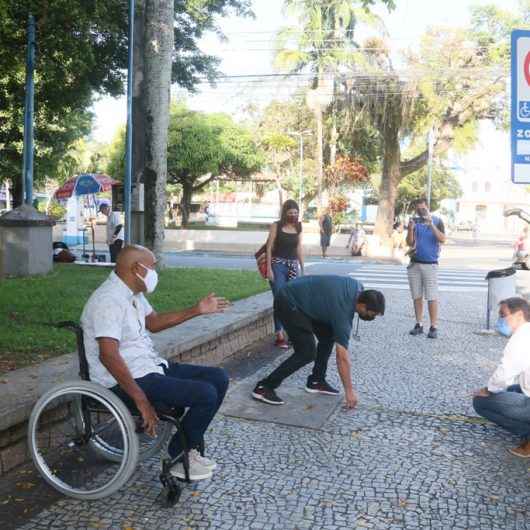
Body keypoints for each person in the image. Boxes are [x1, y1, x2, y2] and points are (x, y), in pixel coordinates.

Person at [80, 245, 230, 481]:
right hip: (124, 379)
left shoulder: (133, 294)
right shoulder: (108, 301)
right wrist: (141, 400)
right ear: (136, 268)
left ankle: (186, 448)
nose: (154, 272)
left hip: (148, 366)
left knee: (218, 378)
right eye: (152, 267)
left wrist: (197, 310)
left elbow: (155, 322)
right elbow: (108, 355)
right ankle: (179, 457)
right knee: (205, 394)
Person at [252, 275, 385, 408]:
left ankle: (316, 381)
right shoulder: (343, 315)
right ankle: (264, 387)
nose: (371, 318)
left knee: (328, 336)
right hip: (288, 301)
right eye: (371, 314)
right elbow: (342, 357)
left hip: (302, 297)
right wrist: (349, 391)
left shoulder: (358, 287)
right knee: (306, 352)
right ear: (362, 305)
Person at [472, 297, 530, 458]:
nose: (500, 320)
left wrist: (488, 390)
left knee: (480, 402)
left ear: (518, 315)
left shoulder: (522, 337)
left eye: (503, 315)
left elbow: (505, 372)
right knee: (511, 389)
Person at [266, 199, 304, 349]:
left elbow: (299, 248)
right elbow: (269, 248)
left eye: (296, 213)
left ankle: (292, 333)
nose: (293, 215)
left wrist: (302, 267)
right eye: (290, 213)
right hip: (277, 265)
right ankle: (279, 335)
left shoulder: (299, 226)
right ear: (285, 213)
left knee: (291, 301)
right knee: (280, 299)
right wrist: (269, 268)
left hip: (292, 266)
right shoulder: (277, 226)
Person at [406, 198, 446, 339]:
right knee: (416, 296)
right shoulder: (414, 222)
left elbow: (442, 239)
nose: (420, 211)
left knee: (432, 296)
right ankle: (419, 324)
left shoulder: (437, 221)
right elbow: (409, 242)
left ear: (428, 208)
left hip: (430, 264)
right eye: (418, 209)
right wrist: (410, 229)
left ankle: (433, 326)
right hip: (415, 263)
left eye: (423, 209)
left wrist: (431, 225)